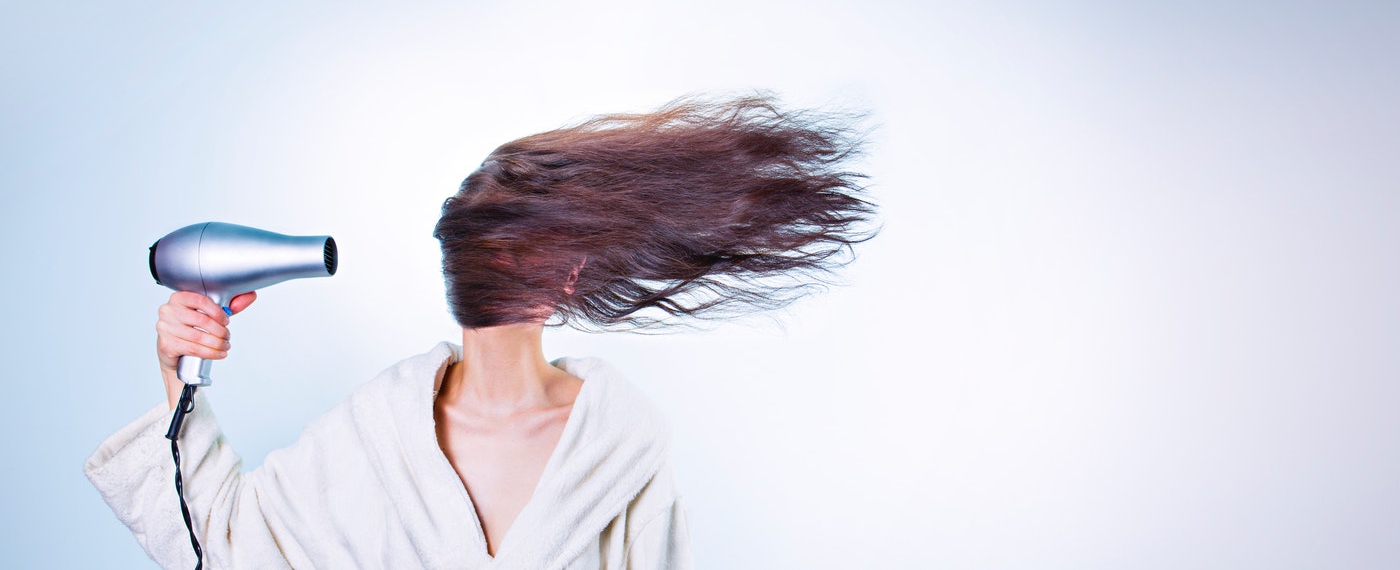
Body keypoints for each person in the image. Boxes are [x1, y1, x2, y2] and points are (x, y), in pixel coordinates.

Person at [86, 94, 877, 569]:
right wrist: (178, 372)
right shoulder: (378, 434)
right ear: (568, 276)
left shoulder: (621, 445)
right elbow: (222, 546)